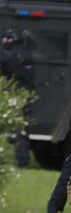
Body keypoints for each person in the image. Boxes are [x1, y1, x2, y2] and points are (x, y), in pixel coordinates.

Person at [1, 29, 32, 168]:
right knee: (21, 130)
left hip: (10, 95)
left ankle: (20, 161)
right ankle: (22, 161)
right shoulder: (26, 55)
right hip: (23, 95)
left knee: (16, 131)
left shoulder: (8, 55)